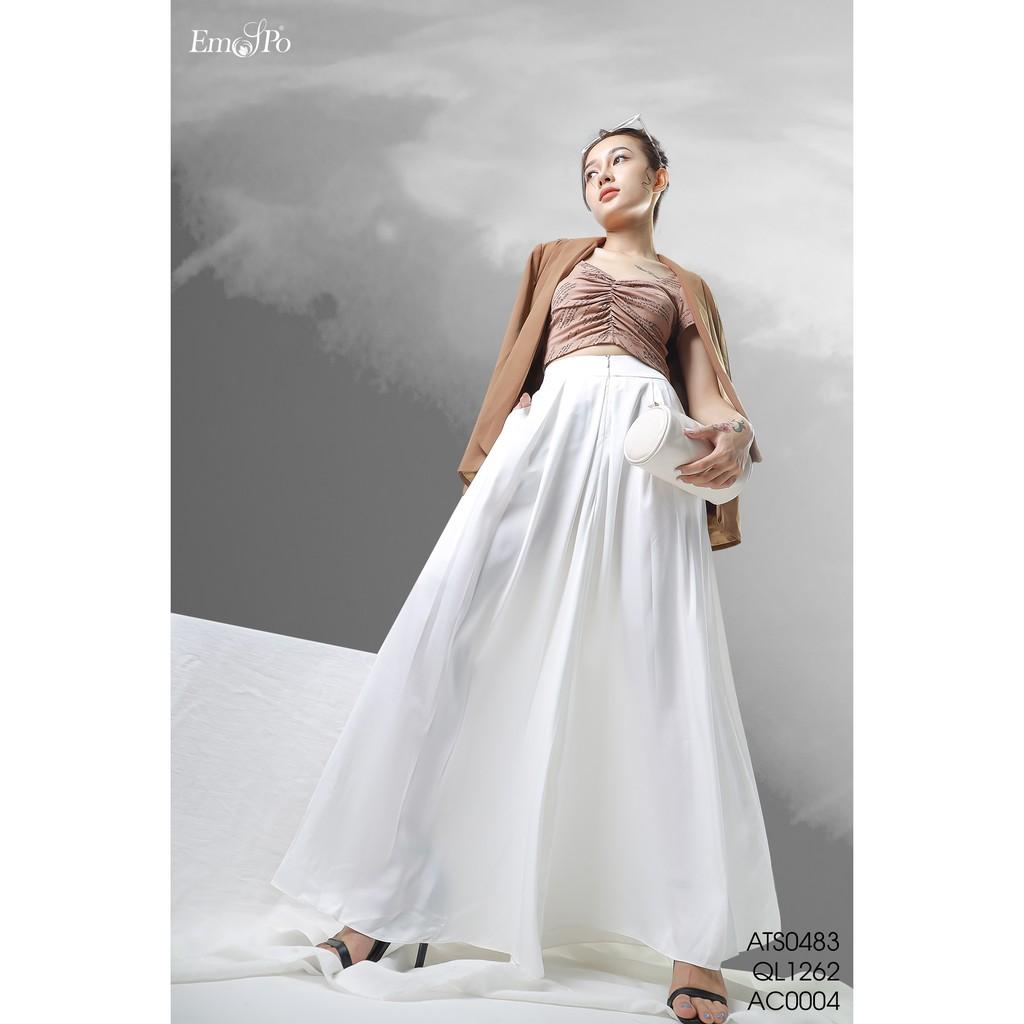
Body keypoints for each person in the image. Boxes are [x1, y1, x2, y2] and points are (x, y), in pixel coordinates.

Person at [270, 114, 780, 1024]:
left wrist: (734, 434)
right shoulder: (554, 259)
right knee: (453, 651)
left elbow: (709, 399)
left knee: (665, 671)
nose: (600, 176)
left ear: (660, 178)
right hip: (544, 446)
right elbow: (528, 365)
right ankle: (382, 907)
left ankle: (693, 947)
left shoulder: (685, 286)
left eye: (619, 160)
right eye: (588, 169)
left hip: (640, 462)